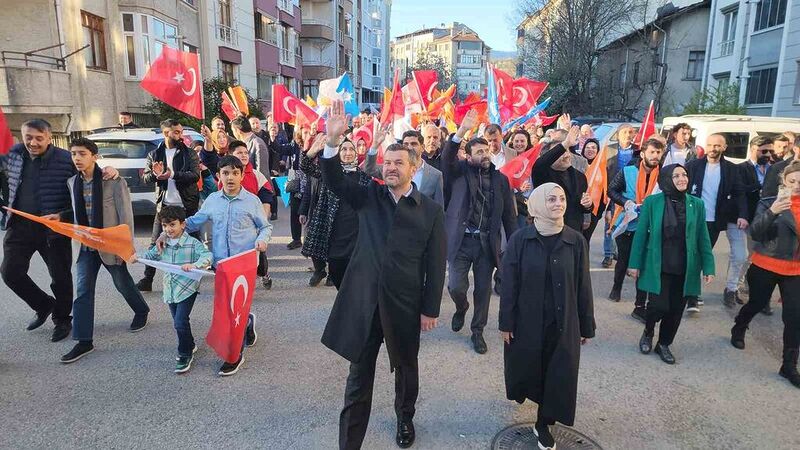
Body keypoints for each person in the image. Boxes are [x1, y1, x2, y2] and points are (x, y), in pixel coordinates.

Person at [319, 100, 446, 450]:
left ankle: (405, 417)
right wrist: (331, 142)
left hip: (404, 304)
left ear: (414, 166)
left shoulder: (430, 211)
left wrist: (430, 308)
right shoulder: (368, 196)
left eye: (398, 163)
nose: (390, 168)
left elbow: (436, 264)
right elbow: (334, 181)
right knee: (358, 377)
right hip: (364, 304)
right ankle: (349, 442)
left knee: (406, 369)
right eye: (387, 163)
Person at [1, 119, 117, 342]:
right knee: (10, 273)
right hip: (19, 226)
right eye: (28, 138)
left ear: (49, 136)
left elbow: (91, 177)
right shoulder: (13, 155)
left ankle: (62, 319)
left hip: (54, 229)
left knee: (60, 277)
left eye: (38, 138)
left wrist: (109, 170)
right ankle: (44, 305)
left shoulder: (66, 159)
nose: (33, 143)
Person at [500, 183, 595, 450]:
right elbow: (509, 285)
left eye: (562, 198)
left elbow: (583, 284)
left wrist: (586, 325)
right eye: (551, 199)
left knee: (558, 374)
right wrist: (506, 323)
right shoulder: (521, 239)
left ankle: (544, 423)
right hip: (527, 322)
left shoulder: (575, 240)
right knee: (530, 370)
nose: (558, 204)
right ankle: (534, 402)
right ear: (538, 204)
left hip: (563, 323)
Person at [159, 155, 271, 376]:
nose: (230, 177)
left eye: (235, 173)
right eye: (225, 173)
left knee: (233, 311)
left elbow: (265, 227)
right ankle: (247, 321)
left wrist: (263, 240)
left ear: (241, 175)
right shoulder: (212, 200)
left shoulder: (252, 201)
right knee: (229, 309)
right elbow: (192, 222)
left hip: (243, 265)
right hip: (221, 264)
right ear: (219, 176)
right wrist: (166, 232)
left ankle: (234, 355)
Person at [60, 138, 151, 363]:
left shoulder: (113, 181)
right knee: (82, 291)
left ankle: (141, 310)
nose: (77, 158)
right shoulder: (72, 182)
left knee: (123, 283)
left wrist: (126, 246)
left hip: (110, 244)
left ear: (95, 156)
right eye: (73, 154)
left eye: (82, 154)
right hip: (85, 245)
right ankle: (83, 341)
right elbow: (75, 211)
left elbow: (126, 216)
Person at [443, 109, 517, 354]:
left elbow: (509, 216)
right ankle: (461, 307)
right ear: (469, 155)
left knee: (483, 290)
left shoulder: (501, 180)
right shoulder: (459, 172)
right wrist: (461, 131)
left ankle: (478, 332)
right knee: (456, 286)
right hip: (461, 242)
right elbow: (447, 158)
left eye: (486, 150)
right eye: (479, 152)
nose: (485, 155)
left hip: (487, 243)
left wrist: (514, 244)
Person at [628, 164, 715, 364]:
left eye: (684, 174)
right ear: (667, 179)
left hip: (685, 267)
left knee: (676, 310)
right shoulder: (652, 202)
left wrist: (708, 266)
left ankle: (664, 344)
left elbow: (703, 236)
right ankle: (648, 331)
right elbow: (641, 235)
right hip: (659, 264)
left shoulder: (697, 204)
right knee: (658, 306)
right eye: (675, 175)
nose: (682, 178)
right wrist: (634, 263)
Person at [730, 160, 800, 389]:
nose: (797, 185)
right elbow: (756, 232)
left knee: (794, 317)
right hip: (766, 264)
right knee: (757, 302)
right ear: (784, 182)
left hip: (795, 270)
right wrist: (772, 212)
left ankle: (788, 365)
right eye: (792, 181)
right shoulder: (769, 202)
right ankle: (740, 325)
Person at [129, 206, 212, 373]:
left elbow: (207, 256)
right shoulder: (163, 243)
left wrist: (194, 265)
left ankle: (185, 353)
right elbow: (151, 255)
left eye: (172, 225)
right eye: (165, 226)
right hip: (170, 289)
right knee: (178, 322)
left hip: (188, 288)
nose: (168, 229)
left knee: (180, 321)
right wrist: (137, 257)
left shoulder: (192, 243)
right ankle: (190, 344)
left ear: (183, 224)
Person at [299, 135, 372, 289]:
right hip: (334, 231)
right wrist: (312, 151)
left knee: (356, 280)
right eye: (343, 149)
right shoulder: (329, 173)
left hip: (357, 232)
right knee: (339, 275)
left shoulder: (364, 176)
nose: (348, 153)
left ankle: (352, 307)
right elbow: (305, 166)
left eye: (351, 149)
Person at [137, 119, 201, 292]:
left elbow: (195, 175)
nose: (181, 135)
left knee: (195, 241)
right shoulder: (154, 154)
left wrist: (173, 174)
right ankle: (147, 278)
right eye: (177, 132)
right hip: (164, 205)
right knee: (155, 243)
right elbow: (145, 179)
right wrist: (156, 175)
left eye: (181, 131)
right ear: (166, 133)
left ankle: (196, 275)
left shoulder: (189, 153)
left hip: (186, 205)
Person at [685, 134, 748, 309]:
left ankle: (692, 292)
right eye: (710, 145)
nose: (713, 149)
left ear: (724, 147)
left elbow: (739, 193)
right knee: (692, 255)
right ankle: (691, 294)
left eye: (717, 146)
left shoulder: (731, 169)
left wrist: (743, 214)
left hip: (713, 221)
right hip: (693, 219)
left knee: (702, 256)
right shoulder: (693, 166)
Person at [607, 138, 666, 320]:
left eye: (658, 153)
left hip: (649, 226)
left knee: (643, 264)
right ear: (643, 154)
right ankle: (616, 287)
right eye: (652, 152)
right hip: (627, 224)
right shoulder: (627, 172)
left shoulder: (664, 175)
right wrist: (627, 202)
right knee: (624, 260)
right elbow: (611, 191)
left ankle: (639, 305)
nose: (655, 156)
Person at [229, 140, 275, 289]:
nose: (243, 155)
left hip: (253, 224)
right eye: (239, 153)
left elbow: (267, 195)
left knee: (257, 251)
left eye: (245, 153)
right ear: (231, 155)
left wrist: (263, 217)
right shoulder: (225, 176)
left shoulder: (255, 174)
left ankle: (263, 273)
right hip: (233, 226)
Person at [532, 125, 593, 233]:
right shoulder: (542, 173)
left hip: (573, 233)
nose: (566, 155)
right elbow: (540, 164)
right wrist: (565, 143)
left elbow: (582, 206)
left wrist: (588, 205)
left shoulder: (579, 176)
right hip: (549, 232)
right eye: (561, 152)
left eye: (567, 151)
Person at [365, 129, 444, 206]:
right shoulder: (392, 169)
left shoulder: (436, 175)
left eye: (413, 144)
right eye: (405, 144)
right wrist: (374, 146)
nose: (409, 147)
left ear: (422, 147)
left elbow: (439, 208)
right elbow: (369, 169)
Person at [602, 124, 638, 267]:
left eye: (630, 132)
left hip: (630, 192)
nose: (628, 134)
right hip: (612, 190)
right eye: (624, 132)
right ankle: (608, 254)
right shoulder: (608, 150)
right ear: (618, 134)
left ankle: (621, 251)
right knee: (610, 221)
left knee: (626, 223)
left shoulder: (638, 151)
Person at [270, 127, 306, 250]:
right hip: (295, 180)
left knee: (309, 212)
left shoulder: (315, 145)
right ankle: (296, 239)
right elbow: (279, 149)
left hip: (311, 182)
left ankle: (310, 240)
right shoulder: (294, 145)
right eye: (302, 133)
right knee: (294, 210)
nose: (304, 135)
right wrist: (272, 137)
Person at [231, 116, 271, 182]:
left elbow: (262, 172)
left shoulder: (258, 144)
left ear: (238, 131)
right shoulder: (245, 143)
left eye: (233, 131)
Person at [580, 138, 605, 244]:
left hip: (594, 210)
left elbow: (605, 190)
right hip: (579, 209)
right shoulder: (578, 164)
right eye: (588, 147)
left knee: (586, 239)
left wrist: (602, 211)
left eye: (594, 147)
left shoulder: (602, 167)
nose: (590, 150)